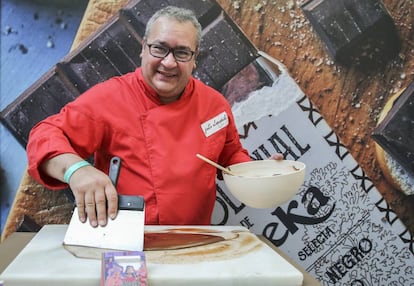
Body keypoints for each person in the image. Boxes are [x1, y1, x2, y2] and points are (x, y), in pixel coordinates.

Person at [26, 6, 282, 228]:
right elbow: (44, 136)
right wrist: (77, 171)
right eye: (160, 48)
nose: (169, 63)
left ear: (194, 59)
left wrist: (253, 172)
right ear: (143, 49)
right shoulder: (110, 98)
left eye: (182, 53)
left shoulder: (214, 104)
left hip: (193, 241)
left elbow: (229, 154)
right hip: (126, 245)